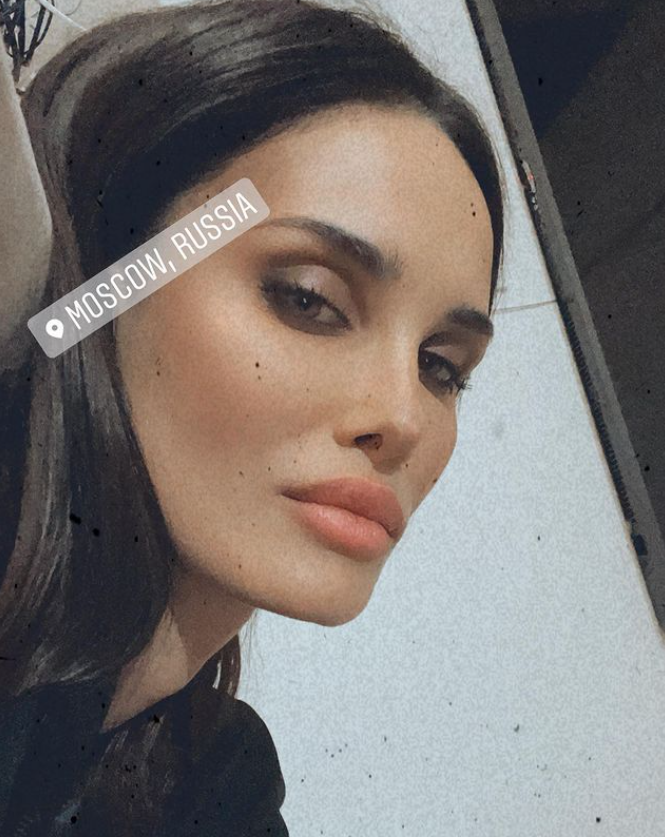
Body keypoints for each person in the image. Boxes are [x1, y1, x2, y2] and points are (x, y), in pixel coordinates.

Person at [0, 0, 506, 833]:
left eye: (440, 366)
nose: (403, 416)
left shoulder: (217, 781)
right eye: (307, 298)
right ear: (102, 284)